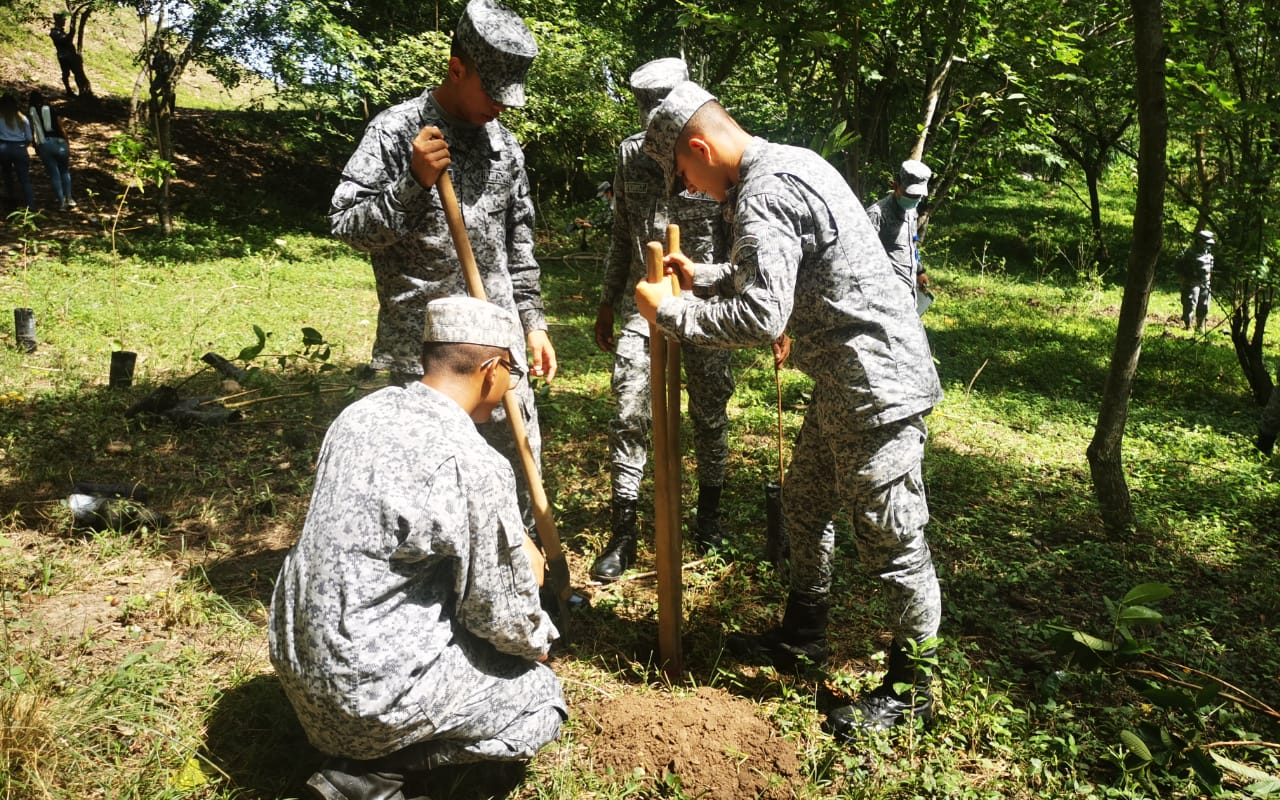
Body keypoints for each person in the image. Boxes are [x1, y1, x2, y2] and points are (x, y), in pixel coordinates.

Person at [636, 81, 944, 736]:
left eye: (686, 175)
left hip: (876, 386)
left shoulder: (763, 192)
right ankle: (805, 635)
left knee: (892, 540)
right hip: (844, 384)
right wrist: (706, 276)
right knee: (804, 505)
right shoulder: (789, 165)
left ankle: (913, 688)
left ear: (698, 146)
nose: (692, 188)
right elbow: (790, 268)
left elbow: (762, 314)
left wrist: (670, 313)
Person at [270, 296, 567, 800]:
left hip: (297, 671)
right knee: (542, 702)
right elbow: (498, 615)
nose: (510, 387)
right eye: (513, 373)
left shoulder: (360, 415)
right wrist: (536, 647)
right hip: (364, 700)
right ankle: (376, 773)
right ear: (492, 369)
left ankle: (371, 752)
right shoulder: (471, 461)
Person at [330, 0, 554, 526]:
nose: (501, 108)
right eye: (492, 93)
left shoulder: (505, 147)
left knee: (515, 485)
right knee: (423, 500)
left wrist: (534, 322)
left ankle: (525, 588)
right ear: (457, 68)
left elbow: (519, 247)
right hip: (419, 362)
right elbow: (346, 228)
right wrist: (412, 184)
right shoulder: (396, 131)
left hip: (499, 357)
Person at [589, 57, 736, 582]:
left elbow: (742, 244)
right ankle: (625, 531)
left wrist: (770, 318)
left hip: (704, 307)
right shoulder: (630, 155)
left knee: (709, 414)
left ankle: (709, 518)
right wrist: (609, 300)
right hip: (643, 305)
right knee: (629, 406)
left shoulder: (714, 151)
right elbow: (621, 233)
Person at [865, 159, 933, 314]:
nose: (915, 199)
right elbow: (863, 258)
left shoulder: (911, 212)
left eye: (919, 196)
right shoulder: (876, 214)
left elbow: (910, 245)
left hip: (908, 294)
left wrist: (919, 271)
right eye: (910, 195)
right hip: (886, 298)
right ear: (895, 186)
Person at [27, 90, 76, 211]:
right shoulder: (51, 109)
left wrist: (35, 146)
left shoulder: (31, 112)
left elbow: (33, 131)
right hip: (59, 141)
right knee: (64, 170)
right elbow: (61, 126)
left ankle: (61, 203)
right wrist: (67, 141)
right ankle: (69, 198)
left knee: (54, 174)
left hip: (44, 144)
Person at [0, 93, 34, 211]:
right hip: (19, 148)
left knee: (7, 175)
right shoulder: (22, 118)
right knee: (24, 179)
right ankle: (31, 206)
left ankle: (11, 203)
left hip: (3, 148)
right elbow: (29, 138)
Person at [1175, 229, 1214, 332]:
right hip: (1191, 282)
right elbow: (1179, 266)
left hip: (1205, 282)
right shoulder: (1189, 252)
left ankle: (1200, 325)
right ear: (1200, 241)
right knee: (1190, 302)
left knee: (1204, 304)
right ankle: (1188, 325)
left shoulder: (1208, 252)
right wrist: (1183, 278)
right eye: (1206, 243)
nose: (1207, 245)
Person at [49, 12, 93, 98]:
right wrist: (72, 32)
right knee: (66, 74)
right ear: (59, 21)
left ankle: (81, 91)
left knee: (77, 73)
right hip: (65, 56)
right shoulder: (55, 32)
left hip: (69, 55)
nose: (64, 21)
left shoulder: (60, 31)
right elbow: (65, 40)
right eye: (63, 19)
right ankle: (68, 90)